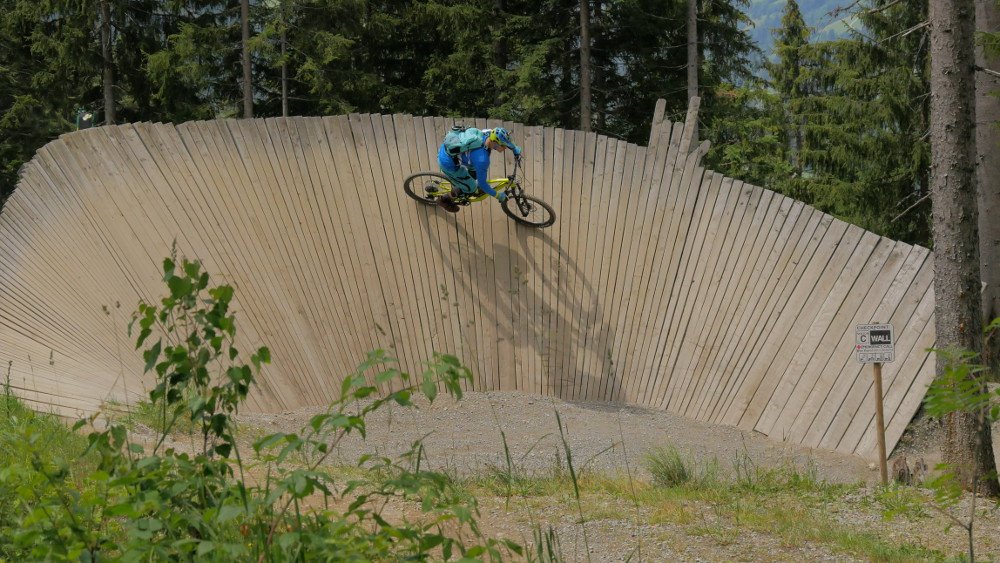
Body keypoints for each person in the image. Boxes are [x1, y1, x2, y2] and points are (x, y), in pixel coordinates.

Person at [436, 125, 522, 213]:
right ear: (495, 143)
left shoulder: (488, 133)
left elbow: (506, 139)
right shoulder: (482, 160)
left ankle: (465, 183)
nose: (504, 148)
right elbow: (483, 184)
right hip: (448, 163)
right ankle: (444, 199)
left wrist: (515, 150)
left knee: (474, 175)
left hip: (448, 150)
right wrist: (498, 196)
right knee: (471, 188)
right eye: (503, 146)